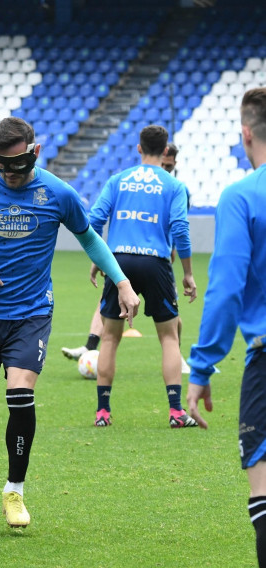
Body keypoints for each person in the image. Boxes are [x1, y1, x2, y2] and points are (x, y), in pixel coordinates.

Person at [0, 116, 140, 534]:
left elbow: (90, 237)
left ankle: (14, 490)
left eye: (18, 165)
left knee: (20, 395)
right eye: (2, 165)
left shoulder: (58, 193)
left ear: (34, 153)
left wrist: (123, 281)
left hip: (30, 313)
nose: (10, 174)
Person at [186, 86, 266, 568]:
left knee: (264, 494)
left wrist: (203, 367)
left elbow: (227, 287)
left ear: (245, 134)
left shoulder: (242, 196)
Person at [87, 125, 197, 428]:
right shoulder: (174, 186)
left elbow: (94, 220)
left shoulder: (117, 180)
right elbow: (181, 230)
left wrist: (99, 259)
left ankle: (102, 413)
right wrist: (187, 273)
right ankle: (176, 412)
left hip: (118, 261)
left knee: (110, 336)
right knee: (169, 336)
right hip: (155, 262)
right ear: (165, 152)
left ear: (138, 148)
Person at [61, 141, 190, 368]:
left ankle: (176, 355)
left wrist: (172, 250)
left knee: (172, 316)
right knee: (107, 300)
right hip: (138, 257)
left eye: (169, 167)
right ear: (162, 155)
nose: (166, 169)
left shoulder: (173, 187)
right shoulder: (155, 185)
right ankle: (90, 347)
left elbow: (176, 226)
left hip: (157, 258)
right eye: (165, 165)